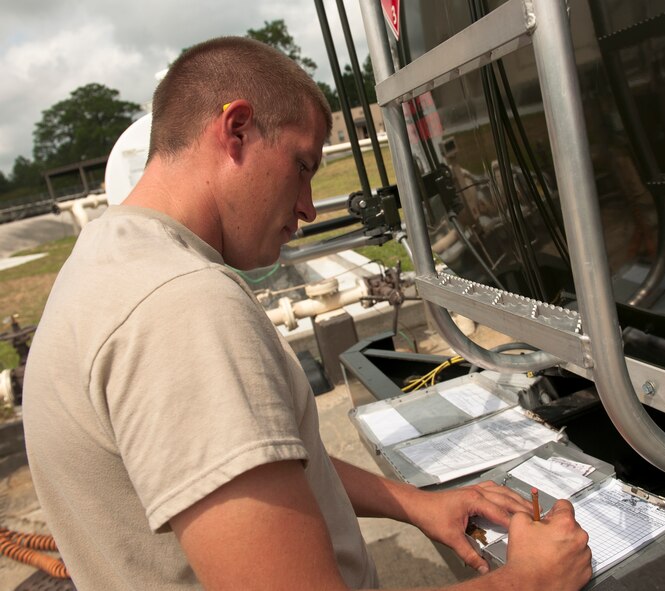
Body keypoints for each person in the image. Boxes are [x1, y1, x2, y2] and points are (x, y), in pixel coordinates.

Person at [22, 36, 591, 590]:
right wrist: (531, 581)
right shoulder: (182, 305)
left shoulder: (109, 260)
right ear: (236, 131)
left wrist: (416, 504)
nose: (309, 208)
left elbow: (272, 465)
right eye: (302, 166)